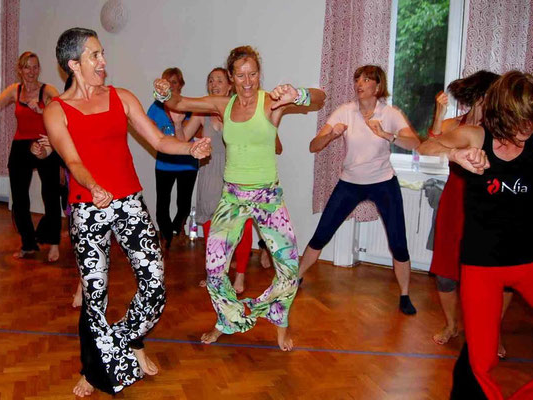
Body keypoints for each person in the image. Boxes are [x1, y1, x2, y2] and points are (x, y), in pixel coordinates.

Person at [45, 28, 211, 396]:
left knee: (154, 283)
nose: (103, 61)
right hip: (87, 207)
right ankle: (92, 370)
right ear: (73, 64)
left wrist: (190, 149)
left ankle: (129, 340)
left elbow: (159, 140)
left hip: (129, 202)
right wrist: (93, 186)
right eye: (94, 56)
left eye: (102, 53)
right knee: (95, 293)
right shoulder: (56, 111)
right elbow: (72, 159)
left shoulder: (122, 98)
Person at [154, 45, 326, 350]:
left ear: (259, 74)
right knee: (214, 270)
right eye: (241, 74)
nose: (248, 81)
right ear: (231, 77)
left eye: (253, 73)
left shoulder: (272, 102)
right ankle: (228, 320)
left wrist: (296, 93)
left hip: (268, 196)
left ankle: (279, 323)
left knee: (288, 268)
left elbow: (320, 96)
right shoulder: (223, 104)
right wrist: (165, 92)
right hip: (231, 196)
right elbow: (179, 101)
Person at [419, 70, 533, 400]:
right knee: (480, 361)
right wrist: (454, 154)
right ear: (504, 110)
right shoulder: (475, 136)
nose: (527, 128)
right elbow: (426, 146)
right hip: (481, 266)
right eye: (521, 119)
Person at [298, 65, 421, 315]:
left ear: (378, 86)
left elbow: (415, 143)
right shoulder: (345, 111)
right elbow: (314, 146)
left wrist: (387, 134)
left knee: (398, 244)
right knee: (322, 234)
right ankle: (295, 279)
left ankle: (405, 295)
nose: (359, 84)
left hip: (383, 183)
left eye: (366, 80)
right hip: (350, 183)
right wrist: (331, 135)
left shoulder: (390, 113)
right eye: (357, 79)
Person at [426, 71, 513, 357]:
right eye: (486, 96)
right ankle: (452, 325)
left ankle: (493, 331)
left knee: (500, 275)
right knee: (446, 274)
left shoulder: (502, 129)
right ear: (477, 97)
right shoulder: (456, 124)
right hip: (455, 200)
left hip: (490, 202)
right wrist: (439, 113)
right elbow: (429, 147)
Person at [184, 67, 280, 293]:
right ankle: (215, 274)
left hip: (237, 174)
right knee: (210, 226)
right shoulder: (202, 113)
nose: (214, 84)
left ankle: (240, 276)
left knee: (243, 227)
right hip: (209, 173)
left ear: (230, 85)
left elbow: (273, 141)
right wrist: (179, 124)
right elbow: (182, 140)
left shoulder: (241, 111)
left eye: (219, 80)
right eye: (210, 81)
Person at [0, 51, 62, 262]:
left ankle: (54, 244)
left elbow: (64, 112)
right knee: (19, 199)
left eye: (35, 67)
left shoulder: (48, 90)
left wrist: (42, 112)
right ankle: (28, 243)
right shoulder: (14, 90)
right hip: (21, 145)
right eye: (27, 67)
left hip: (45, 143)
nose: (31, 71)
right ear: (20, 69)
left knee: (51, 195)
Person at [147, 67, 198, 249]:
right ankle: (167, 236)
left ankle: (178, 226)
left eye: (174, 82)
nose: (170, 86)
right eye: (167, 83)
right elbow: (148, 129)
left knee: (184, 205)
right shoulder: (155, 107)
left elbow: (198, 128)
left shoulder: (189, 106)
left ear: (181, 85)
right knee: (162, 205)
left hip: (187, 163)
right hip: (165, 163)